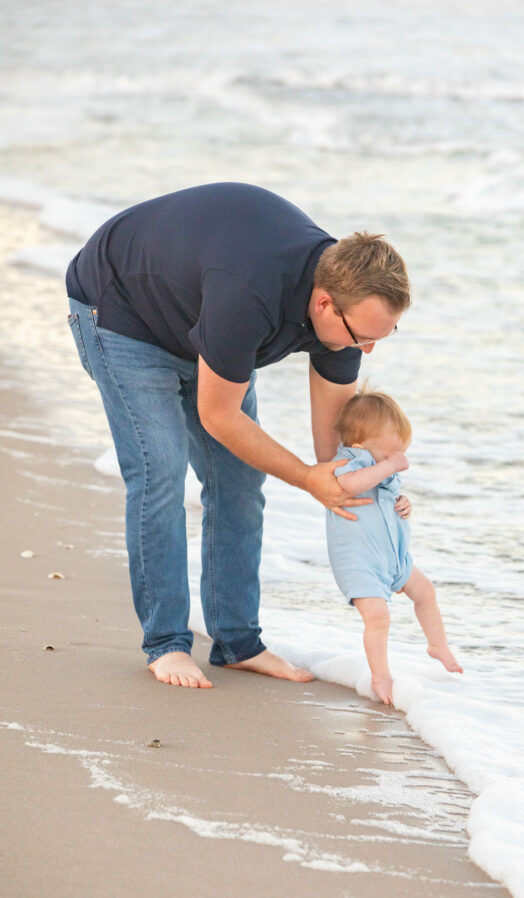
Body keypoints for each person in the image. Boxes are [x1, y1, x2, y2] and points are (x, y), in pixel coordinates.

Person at [65, 183, 410, 689]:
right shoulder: (249, 292)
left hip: (198, 313)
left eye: (384, 336)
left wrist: (377, 492)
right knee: (159, 471)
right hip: (121, 312)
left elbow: (334, 457)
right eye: (365, 338)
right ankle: (166, 644)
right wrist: (306, 480)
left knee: (241, 483)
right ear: (323, 304)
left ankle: (237, 642)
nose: (370, 350)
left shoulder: (349, 309)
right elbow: (219, 416)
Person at [325, 385, 463, 706]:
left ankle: (437, 645)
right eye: (388, 454)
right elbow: (349, 485)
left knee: (425, 591)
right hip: (360, 562)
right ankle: (381, 675)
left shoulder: (377, 466)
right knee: (378, 617)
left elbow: (383, 497)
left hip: (394, 557)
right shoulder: (347, 462)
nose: (395, 461)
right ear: (360, 444)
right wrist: (387, 466)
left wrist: (403, 502)